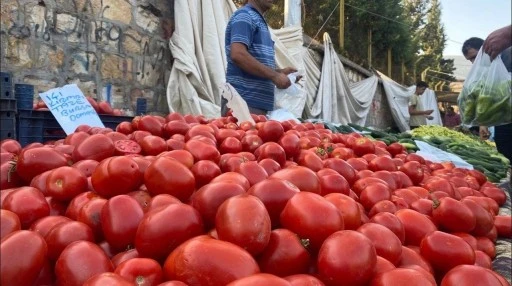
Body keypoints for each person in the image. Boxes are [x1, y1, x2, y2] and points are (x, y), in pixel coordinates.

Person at [222, 0, 297, 116]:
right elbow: (238, 54)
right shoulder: (245, 16)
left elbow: (254, 63)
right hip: (243, 104)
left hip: (254, 106)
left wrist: (280, 73)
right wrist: (274, 76)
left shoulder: (259, 20)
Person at [462, 26, 512, 168]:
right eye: (470, 59)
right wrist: (483, 123)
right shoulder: (484, 71)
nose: (473, 62)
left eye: (474, 57)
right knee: (505, 149)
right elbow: (485, 99)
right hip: (504, 120)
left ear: (486, 48)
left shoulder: (507, 56)